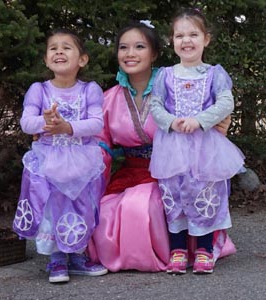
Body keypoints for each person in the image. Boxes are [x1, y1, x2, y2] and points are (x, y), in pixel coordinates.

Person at [87, 21, 236, 272]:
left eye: (139, 46)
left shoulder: (172, 85)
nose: (130, 53)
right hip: (130, 174)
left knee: (145, 205)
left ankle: (190, 250)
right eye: (123, 47)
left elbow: (216, 116)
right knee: (106, 209)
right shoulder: (108, 98)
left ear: (154, 52)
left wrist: (217, 125)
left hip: (174, 168)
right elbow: (98, 145)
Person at [149, 8, 245, 274]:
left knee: (205, 192)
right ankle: (177, 249)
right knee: (175, 194)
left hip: (205, 146)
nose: (186, 40)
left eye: (193, 34)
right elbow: (155, 106)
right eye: (180, 35)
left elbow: (226, 102)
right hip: (173, 146)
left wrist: (201, 120)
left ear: (206, 39)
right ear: (172, 41)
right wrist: (170, 121)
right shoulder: (165, 75)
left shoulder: (214, 73)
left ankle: (204, 249)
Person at [12, 28, 108, 283]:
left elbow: (97, 124)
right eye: (53, 48)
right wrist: (43, 123)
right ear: (46, 59)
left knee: (80, 207)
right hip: (48, 159)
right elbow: (26, 122)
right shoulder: (39, 90)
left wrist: (68, 127)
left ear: (82, 59)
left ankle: (76, 256)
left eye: (66, 47)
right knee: (52, 208)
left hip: (81, 159)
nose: (59, 51)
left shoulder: (90, 90)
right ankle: (56, 259)